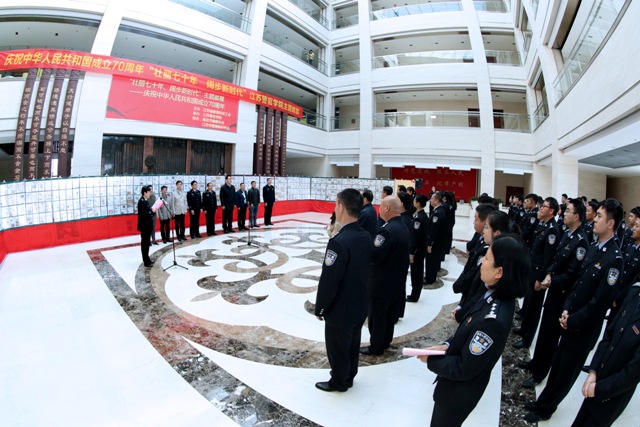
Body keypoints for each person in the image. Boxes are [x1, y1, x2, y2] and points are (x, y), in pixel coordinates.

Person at [524, 198, 624, 423]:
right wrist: (567, 309)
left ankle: (546, 408)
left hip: (583, 327)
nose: (594, 219)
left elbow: (599, 303)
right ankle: (542, 401)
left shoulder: (614, 260)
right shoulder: (595, 247)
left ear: (610, 223)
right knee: (558, 365)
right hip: (571, 318)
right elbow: (577, 283)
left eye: (599, 216)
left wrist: (574, 319)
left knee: (565, 373)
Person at [418, 233, 530, 427]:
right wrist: (446, 346)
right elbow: (467, 330)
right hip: (454, 386)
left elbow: (464, 367)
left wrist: (431, 360)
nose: (482, 261)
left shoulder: (493, 320)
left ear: (499, 272)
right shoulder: (493, 293)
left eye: (487, 258)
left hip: (458, 394)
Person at [519, 198, 588, 388]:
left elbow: (572, 274)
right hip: (553, 290)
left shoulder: (581, 242)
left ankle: (540, 373)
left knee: (551, 336)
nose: (564, 214)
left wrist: (552, 280)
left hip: (562, 296)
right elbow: (555, 260)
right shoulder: (567, 235)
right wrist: (549, 273)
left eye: (568, 211)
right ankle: (535, 362)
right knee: (544, 331)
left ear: (577, 216)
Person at [314, 189, 374, 392]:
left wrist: (321, 308)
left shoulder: (338, 242)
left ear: (341, 207)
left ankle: (339, 381)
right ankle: (349, 376)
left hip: (340, 308)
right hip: (360, 303)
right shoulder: (366, 236)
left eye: (335, 204)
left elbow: (329, 281)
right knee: (353, 343)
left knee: (338, 347)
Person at [571, 282, 640, 426]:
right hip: (597, 380)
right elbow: (610, 333)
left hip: (611, 395)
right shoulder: (635, 291)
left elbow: (632, 374)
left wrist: (599, 389)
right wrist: (593, 371)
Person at [360, 196, 410, 356]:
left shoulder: (386, 231)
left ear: (387, 208)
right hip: (397, 280)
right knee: (389, 314)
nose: (379, 210)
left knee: (377, 315)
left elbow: (375, 256)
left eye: (381, 206)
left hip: (381, 282)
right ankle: (386, 340)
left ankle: (376, 346)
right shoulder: (402, 226)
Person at [514, 196, 560, 349]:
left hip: (538, 275)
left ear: (551, 211)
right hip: (532, 271)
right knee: (528, 303)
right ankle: (523, 329)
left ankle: (527, 338)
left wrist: (540, 279)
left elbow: (548, 257)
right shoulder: (543, 224)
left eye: (544, 207)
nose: (541, 209)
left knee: (534, 308)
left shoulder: (552, 230)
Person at [452, 204, 495, 313]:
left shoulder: (487, 249)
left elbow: (473, 276)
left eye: (476, 219)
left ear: (485, 222)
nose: (473, 222)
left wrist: (458, 286)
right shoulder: (481, 239)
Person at [407, 194, 429, 302]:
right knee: (417, 272)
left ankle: (414, 295)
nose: (413, 202)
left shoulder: (419, 218)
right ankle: (415, 293)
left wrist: (412, 253)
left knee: (416, 273)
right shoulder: (421, 215)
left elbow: (415, 237)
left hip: (417, 251)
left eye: (415, 201)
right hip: (420, 249)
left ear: (418, 203)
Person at [424, 191, 446, 285]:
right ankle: (430, 277)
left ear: (437, 200)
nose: (430, 200)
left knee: (431, 260)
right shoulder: (438, 210)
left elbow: (434, 230)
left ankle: (429, 278)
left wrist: (430, 243)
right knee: (432, 260)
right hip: (438, 241)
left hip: (435, 242)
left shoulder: (438, 213)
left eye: (432, 199)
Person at [137, 185, 159, 267]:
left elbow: (148, 211)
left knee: (147, 243)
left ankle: (147, 259)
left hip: (148, 226)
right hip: (144, 227)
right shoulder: (141, 201)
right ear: (145, 192)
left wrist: (152, 211)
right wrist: (152, 211)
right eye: (149, 192)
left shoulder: (145, 200)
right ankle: (146, 261)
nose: (150, 193)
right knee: (145, 244)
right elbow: (145, 214)